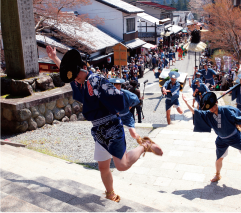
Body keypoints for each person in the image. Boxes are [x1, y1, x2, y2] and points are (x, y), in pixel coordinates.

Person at [46, 46, 163, 203]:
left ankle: (145, 144)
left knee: (121, 165)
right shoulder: (81, 81)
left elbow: (119, 100)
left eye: (76, 74)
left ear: (84, 67)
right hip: (99, 130)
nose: (75, 79)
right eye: (72, 76)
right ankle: (110, 193)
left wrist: (128, 121)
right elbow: (68, 71)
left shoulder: (97, 80)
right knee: (103, 167)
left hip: (112, 127)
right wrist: (54, 58)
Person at [182, 92, 241, 182]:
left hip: (234, 137)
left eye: (212, 106)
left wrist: (238, 128)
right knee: (219, 159)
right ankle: (217, 175)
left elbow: (238, 116)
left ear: (216, 103)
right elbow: (195, 112)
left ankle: (240, 142)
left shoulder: (226, 109)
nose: (210, 109)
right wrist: (186, 102)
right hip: (222, 139)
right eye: (209, 108)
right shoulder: (208, 114)